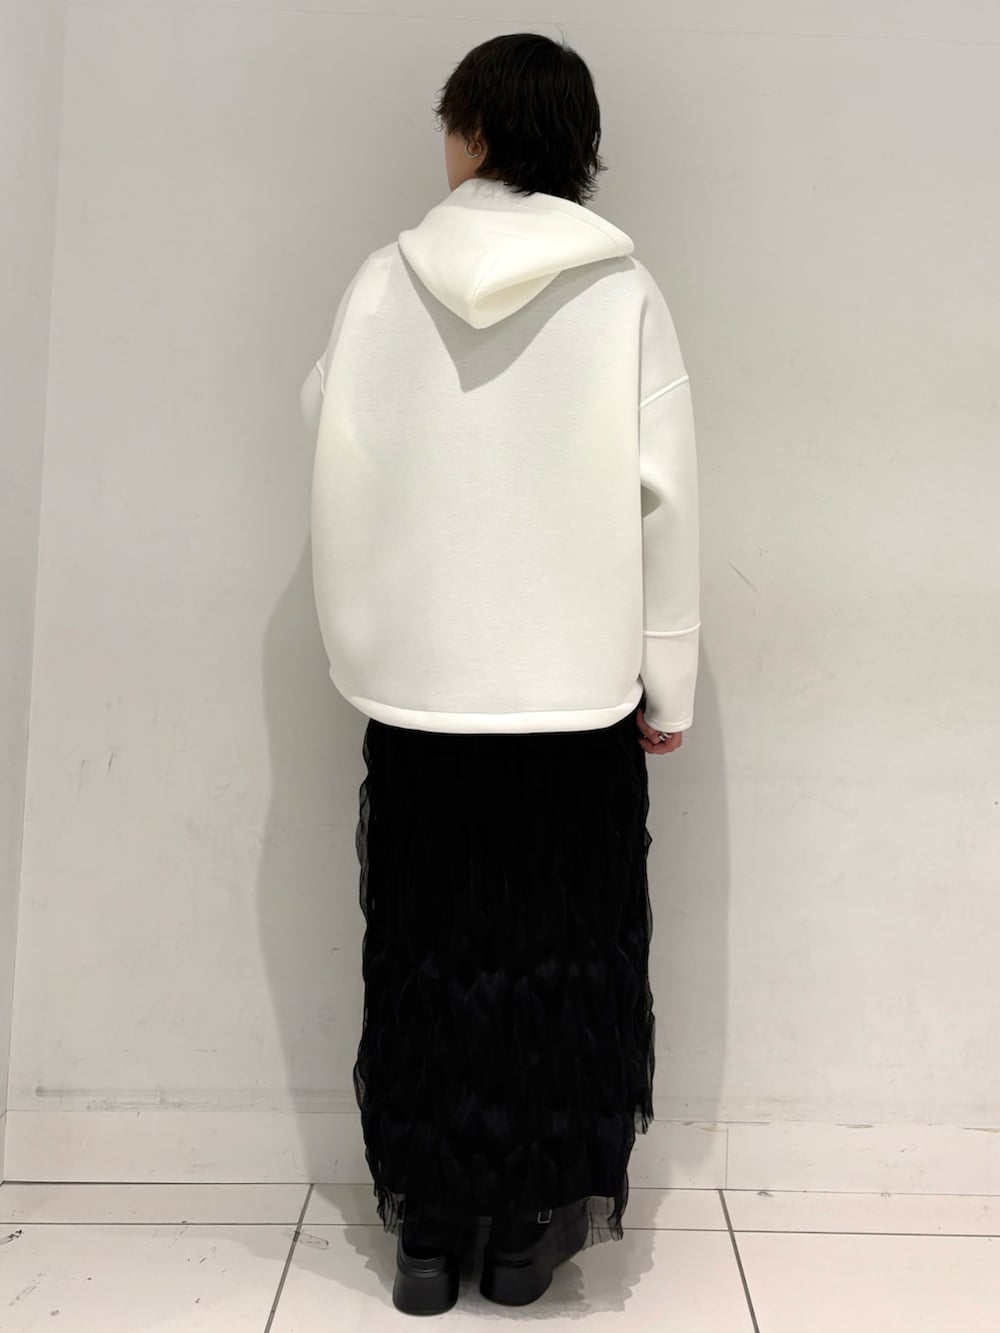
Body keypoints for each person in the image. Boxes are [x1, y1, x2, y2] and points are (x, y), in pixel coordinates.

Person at [299, 31, 700, 1316]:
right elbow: (664, 497)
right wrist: (668, 682)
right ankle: (527, 1233)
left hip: (423, 686)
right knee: (559, 955)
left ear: (470, 131)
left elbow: (326, 427)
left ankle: (426, 1235)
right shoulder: (620, 290)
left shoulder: (384, 281)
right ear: (576, 144)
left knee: (428, 947)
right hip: (572, 691)